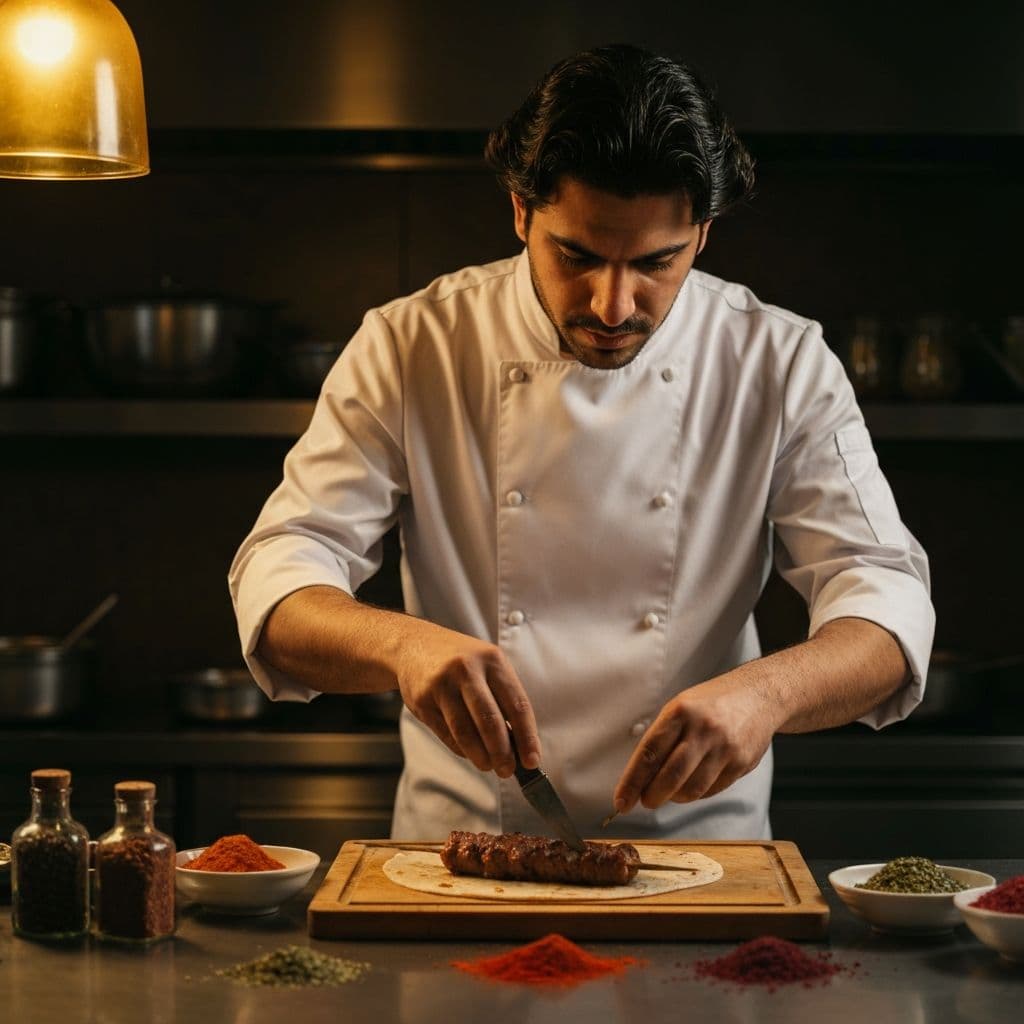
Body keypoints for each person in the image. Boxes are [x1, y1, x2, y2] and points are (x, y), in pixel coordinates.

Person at [229, 44, 934, 841]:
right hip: (465, 853)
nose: (611, 304)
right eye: (578, 256)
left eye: (656, 263)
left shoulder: (778, 360)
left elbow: (886, 599)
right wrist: (402, 647)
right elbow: (279, 575)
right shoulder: (413, 344)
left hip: (706, 855)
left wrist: (765, 695)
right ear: (521, 210)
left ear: (703, 233)